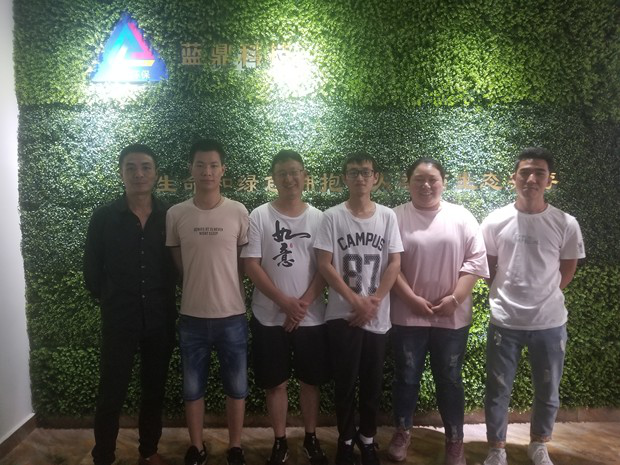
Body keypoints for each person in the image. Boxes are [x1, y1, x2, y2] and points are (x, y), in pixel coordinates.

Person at [480, 147, 585, 465]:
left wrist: (544, 293)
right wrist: (507, 293)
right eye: (525, 172)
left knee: (548, 389)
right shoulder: (495, 220)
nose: (531, 178)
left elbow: (568, 268)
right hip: (505, 320)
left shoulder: (566, 223)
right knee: (497, 390)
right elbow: (489, 266)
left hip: (550, 322)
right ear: (514, 178)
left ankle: (539, 444)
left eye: (539, 172)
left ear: (549, 180)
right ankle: (496, 449)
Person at [387, 158, 489, 465]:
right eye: (418, 179)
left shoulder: (462, 216)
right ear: (408, 182)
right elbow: (390, 264)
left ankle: (455, 440)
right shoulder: (395, 217)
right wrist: (411, 299)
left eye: (432, 179)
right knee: (406, 377)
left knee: (450, 379)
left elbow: (475, 262)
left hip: (451, 317)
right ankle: (402, 432)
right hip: (407, 315)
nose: (426, 185)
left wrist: (455, 299)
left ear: (443, 182)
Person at [84, 144, 177, 465]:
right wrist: (112, 298)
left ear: (156, 173)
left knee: (154, 390)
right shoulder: (104, 217)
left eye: (146, 167)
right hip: (119, 319)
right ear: (121, 173)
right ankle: (103, 455)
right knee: (111, 392)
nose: (139, 174)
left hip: (160, 318)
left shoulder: (170, 216)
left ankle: (148, 451)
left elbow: (177, 266)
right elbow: (92, 270)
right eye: (131, 167)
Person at [314, 152, 403, 465]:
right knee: (345, 382)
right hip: (343, 314)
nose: (360, 177)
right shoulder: (331, 217)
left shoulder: (387, 216)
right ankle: (345, 439)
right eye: (353, 172)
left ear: (375, 177)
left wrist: (373, 301)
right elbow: (324, 264)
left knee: (372, 383)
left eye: (366, 172)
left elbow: (395, 262)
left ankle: (367, 438)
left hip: (377, 316)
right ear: (345, 178)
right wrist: (356, 302)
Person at [241, 150, 330, 465]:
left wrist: (300, 306)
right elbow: (251, 265)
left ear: (304, 175)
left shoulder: (320, 218)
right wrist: (285, 303)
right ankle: (279, 440)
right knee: (275, 383)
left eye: (295, 172)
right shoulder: (259, 216)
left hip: (311, 317)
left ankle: (310, 437)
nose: (289, 179)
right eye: (282, 173)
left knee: (310, 381)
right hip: (269, 316)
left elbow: (326, 268)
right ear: (273, 179)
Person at [166, 138, 250, 465]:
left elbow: (243, 263)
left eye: (213, 165)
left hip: (232, 316)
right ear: (191, 169)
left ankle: (236, 446)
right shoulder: (176, 214)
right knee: (192, 389)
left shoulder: (238, 211)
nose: (207, 171)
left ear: (223, 170)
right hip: (192, 317)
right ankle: (196, 446)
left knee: (237, 387)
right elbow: (179, 263)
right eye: (200, 165)